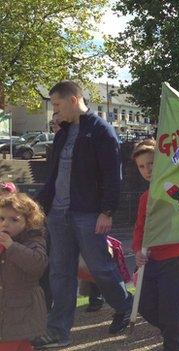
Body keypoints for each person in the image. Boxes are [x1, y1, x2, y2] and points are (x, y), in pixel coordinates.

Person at [34, 81, 133, 348]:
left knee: (100, 268)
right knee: (60, 272)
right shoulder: (62, 133)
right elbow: (54, 176)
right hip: (58, 214)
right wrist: (38, 206)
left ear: (74, 99)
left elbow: (114, 176)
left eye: (56, 104)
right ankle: (58, 331)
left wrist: (107, 211)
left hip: (89, 214)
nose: (54, 110)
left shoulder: (102, 131)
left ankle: (125, 306)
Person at [130, 139, 179, 350]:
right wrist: (138, 251)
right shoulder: (144, 198)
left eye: (150, 163)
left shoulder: (174, 188)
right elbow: (140, 228)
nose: (147, 170)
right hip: (152, 258)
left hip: (176, 256)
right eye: (141, 166)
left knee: (170, 308)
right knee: (144, 303)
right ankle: (175, 329)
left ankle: (175, 342)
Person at [0, 193, 47, 351]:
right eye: (2, 219)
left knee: (9, 344)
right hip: (7, 308)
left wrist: (12, 247)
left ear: (28, 222)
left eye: (14, 220)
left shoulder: (34, 240)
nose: (5, 224)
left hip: (24, 308)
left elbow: (37, 264)